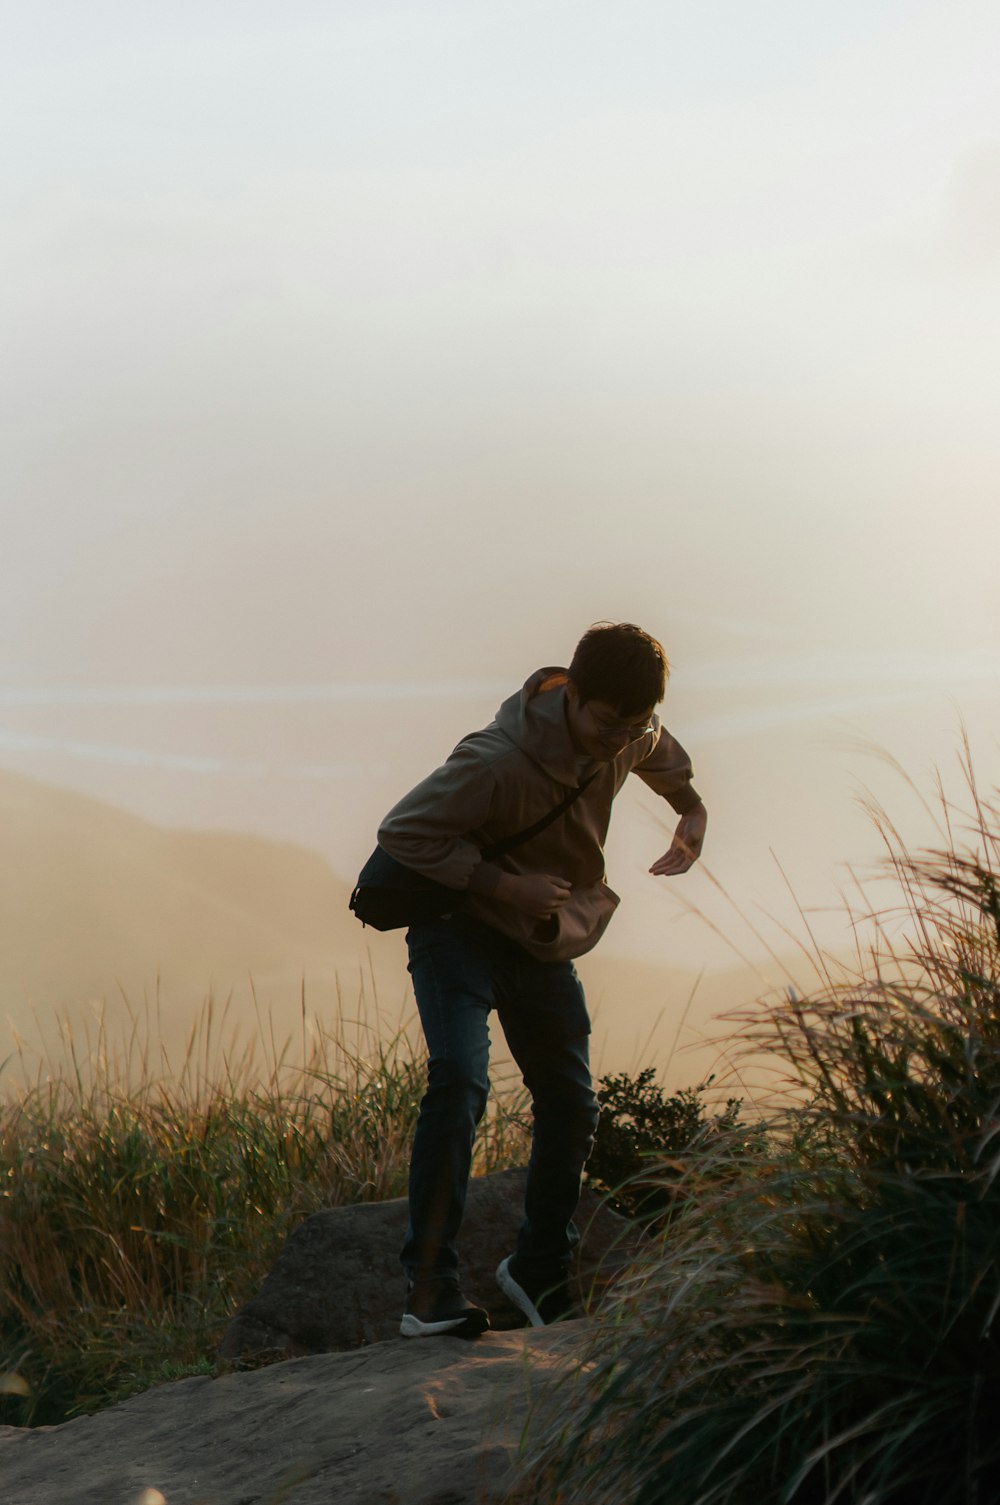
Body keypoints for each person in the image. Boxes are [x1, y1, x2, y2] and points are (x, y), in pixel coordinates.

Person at [376, 621, 707, 1338]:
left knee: (572, 1102)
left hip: (539, 942)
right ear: (574, 695)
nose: (620, 739)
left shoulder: (631, 734)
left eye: (635, 724)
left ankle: (537, 1269)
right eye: (609, 722)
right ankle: (429, 1285)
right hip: (459, 931)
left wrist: (691, 809)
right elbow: (402, 832)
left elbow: (663, 754)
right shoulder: (496, 760)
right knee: (460, 1079)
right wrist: (502, 883)